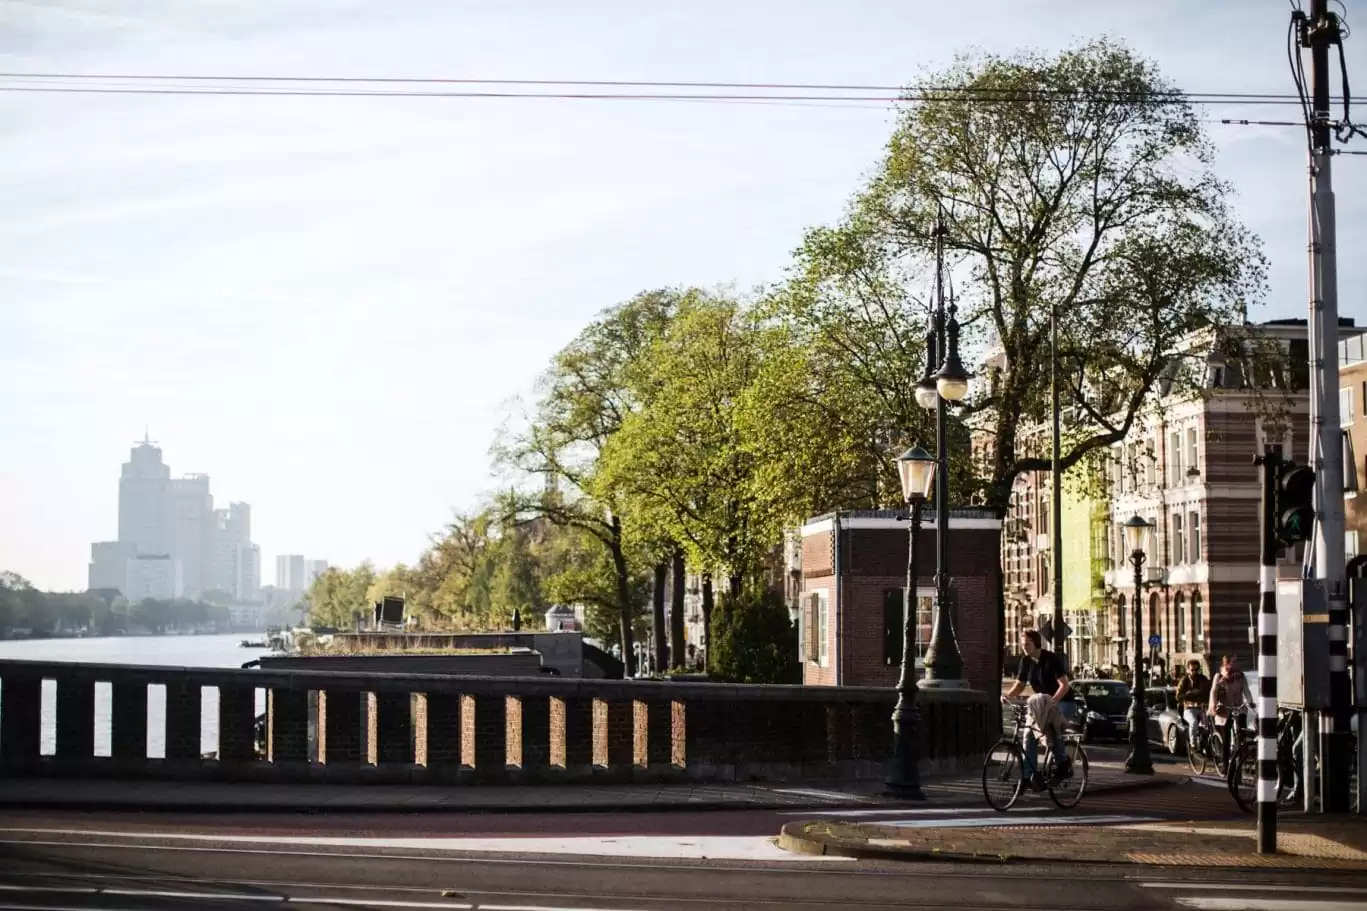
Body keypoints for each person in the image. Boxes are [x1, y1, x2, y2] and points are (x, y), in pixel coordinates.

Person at [1001, 629, 1073, 787]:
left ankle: (1063, 765)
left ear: (1036, 643)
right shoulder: (1025, 661)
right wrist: (1008, 696)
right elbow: (1020, 685)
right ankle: (1028, 776)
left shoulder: (1050, 659)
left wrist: (1053, 702)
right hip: (1041, 702)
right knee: (1028, 735)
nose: (1024, 647)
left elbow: (1064, 685)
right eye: (1022, 645)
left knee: (1052, 730)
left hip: (1062, 700)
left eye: (1027, 644)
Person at [1207, 654, 1253, 761]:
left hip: (1239, 707)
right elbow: (1213, 691)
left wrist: (1250, 702)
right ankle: (1225, 763)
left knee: (1241, 732)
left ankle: (1242, 756)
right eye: (1234, 662)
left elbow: (1246, 690)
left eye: (1237, 661)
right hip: (1224, 709)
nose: (1237, 664)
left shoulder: (1241, 676)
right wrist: (1214, 704)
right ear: (1226, 664)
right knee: (1226, 738)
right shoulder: (1219, 676)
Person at [1175, 659, 1211, 735]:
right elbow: (1178, 696)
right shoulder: (1184, 680)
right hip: (1189, 708)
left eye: (1196, 670)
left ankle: (1206, 743)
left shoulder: (1203, 679)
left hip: (1202, 708)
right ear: (1188, 669)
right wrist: (1190, 693)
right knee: (1193, 722)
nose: (1194, 672)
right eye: (1192, 670)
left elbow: (1210, 690)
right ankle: (1193, 745)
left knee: (1208, 725)